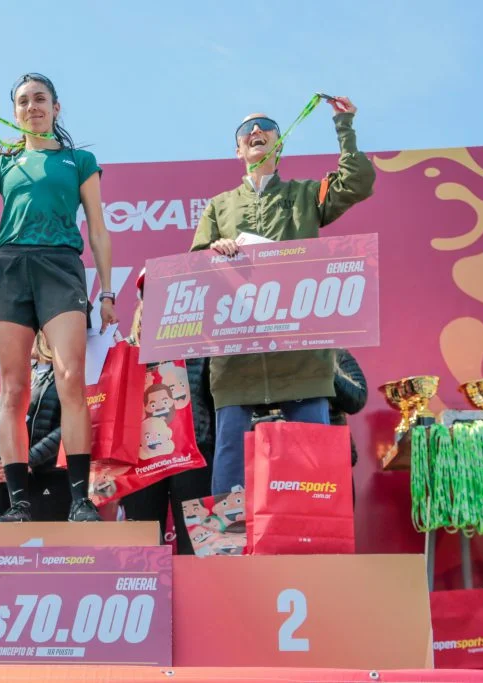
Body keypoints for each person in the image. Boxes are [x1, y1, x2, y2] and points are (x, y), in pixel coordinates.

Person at [0, 73, 117, 522]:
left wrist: (108, 291)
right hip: (11, 269)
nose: (32, 106)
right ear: (13, 113)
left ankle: (80, 499)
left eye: (40, 99)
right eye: (23, 101)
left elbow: (97, 228)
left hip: (60, 266)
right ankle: (18, 504)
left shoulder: (79, 160)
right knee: (14, 387)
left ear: (57, 108)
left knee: (71, 378)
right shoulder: (5, 164)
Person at [190, 97, 376, 493]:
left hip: (301, 357)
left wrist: (344, 124)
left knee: (308, 468)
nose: (255, 132)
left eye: (265, 126)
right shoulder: (218, 206)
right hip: (236, 358)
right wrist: (213, 251)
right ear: (237, 150)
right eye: (246, 131)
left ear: (280, 143)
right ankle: (232, 552)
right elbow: (193, 270)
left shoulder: (306, 195)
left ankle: (310, 548)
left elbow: (358, 183)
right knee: (230, 466)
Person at [122, 269, 215, 553]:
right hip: (141, 458)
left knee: (204, 548)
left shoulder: (207, 343)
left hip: (195, 453)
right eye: (151, 293)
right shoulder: (126, 352)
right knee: (141, 549)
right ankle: (141, 597)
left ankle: (210, 597)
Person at [0, 333, 71, 521]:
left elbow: (68, 428)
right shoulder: (20, 375)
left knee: (48, 546)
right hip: (6, 479)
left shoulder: (69, 375)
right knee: (1, 547)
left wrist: (27, 460)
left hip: (49, 477)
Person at [330, 348, 367, 503]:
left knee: (330, 525)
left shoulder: (335, 354)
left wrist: (325, 365)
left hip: (329, 461)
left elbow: (357, 399)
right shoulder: (259, 352)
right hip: (274, 458)